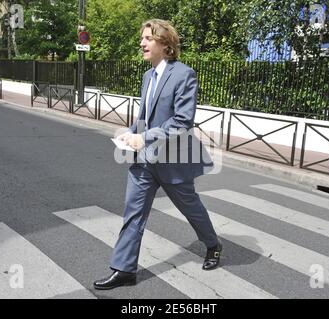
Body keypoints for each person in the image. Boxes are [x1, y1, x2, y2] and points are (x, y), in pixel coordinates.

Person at [93, 19, 222, 290]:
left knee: (191, 208)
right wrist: (129, 134)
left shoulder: (184, 74)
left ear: (165, 44)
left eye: (148, 38)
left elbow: (182, 121)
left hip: (173, 160)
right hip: (145, 160)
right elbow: (145, 117)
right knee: (133, 213)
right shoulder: (147, 76)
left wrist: (145, 136)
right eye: (142, 38)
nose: (142, 43)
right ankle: (124, 269)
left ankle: (212, 244)